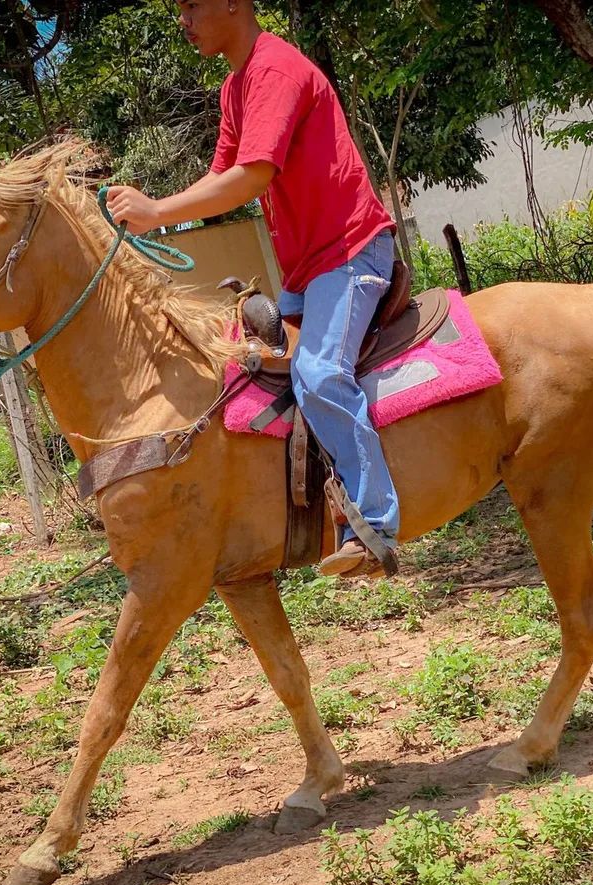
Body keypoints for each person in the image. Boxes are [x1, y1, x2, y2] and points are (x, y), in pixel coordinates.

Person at [105, 0, 400, 578]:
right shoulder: (235, 87)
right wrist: (151, 214)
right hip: (306, 272)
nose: (183, 20)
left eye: (191, 5)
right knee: (248, 376)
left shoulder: (274, 70)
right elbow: (222, 174)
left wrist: (158, 210)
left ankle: (376, 526)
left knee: (318, 375)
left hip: (348, 253)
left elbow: (251, 176)